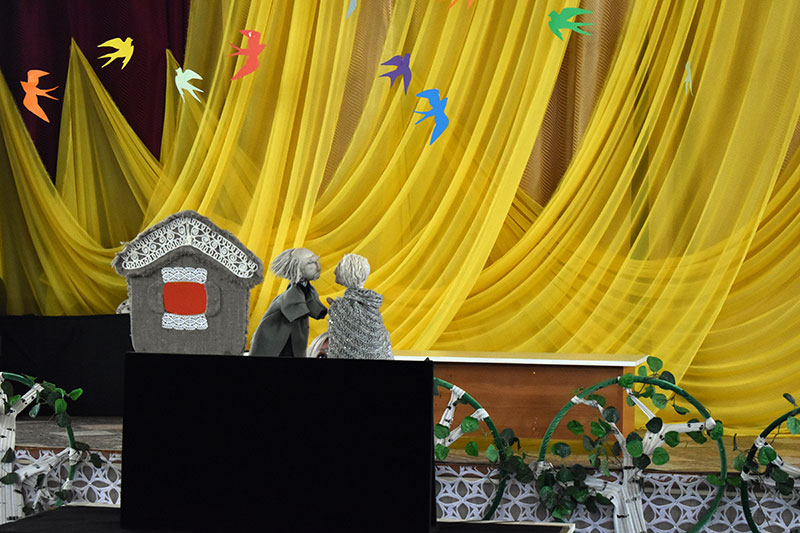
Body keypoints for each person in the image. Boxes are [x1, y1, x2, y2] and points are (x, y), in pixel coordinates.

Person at [249, 248, 327, 357]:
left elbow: (313, 304)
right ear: (297, 269)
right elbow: (298, 309)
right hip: (278, 339)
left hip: (293, 335)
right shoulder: (291, 295)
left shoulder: (307, 289)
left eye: (316, 261)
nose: (317, 266)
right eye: (310, 263)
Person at [326, 254, 392, 360]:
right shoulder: (371, 307)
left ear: (347, 272)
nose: (334, 272)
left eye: (338, 268)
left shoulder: (341, 309)